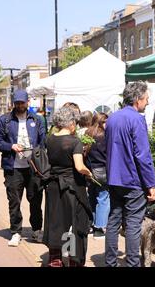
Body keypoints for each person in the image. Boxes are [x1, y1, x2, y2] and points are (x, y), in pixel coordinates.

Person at [105, 81, 155, 267]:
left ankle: (110, 262)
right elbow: (143, 155)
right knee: (134, 224)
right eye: (146, 99)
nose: (147, 102)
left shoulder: (112, 118)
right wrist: (151, 184)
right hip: (132, 180)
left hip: (114, 178)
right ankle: (133, 264)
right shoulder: (137, 119)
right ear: (137, 99)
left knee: (114, 221)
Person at [43, 106, 93, 267]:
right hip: (72, 188)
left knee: (56, 222)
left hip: (53, 185)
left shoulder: (49, 139)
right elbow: (79, 166)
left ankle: (55, 259)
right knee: (72, 223)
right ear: (71, 122)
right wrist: (89, 173)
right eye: (75, 123)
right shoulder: (74, 142)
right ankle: (72, 259)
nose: (76, 126)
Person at [0, 90, 46, 247]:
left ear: (27, 103)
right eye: (17, 103)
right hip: (13, 167)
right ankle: (16, 231)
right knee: (14, 201)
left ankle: (36, 230)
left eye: (22, 103)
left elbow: (43, 142)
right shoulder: (5, 120)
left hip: (33, 168)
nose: (19, 105)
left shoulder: (37, 120)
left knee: (36, 200)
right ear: (13, 103)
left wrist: (36, 155)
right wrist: (11, 146)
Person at [85, 112, 110, 239]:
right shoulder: (104, 135)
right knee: (103, 198)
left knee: (92, 197)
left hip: (89, 170)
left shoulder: (88, 133)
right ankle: (99, 228)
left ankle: (91, 224)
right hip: (103, 171)